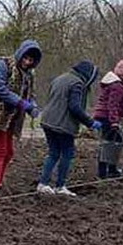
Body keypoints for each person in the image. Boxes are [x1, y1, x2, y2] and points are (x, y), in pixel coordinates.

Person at [0, 40, 43, 190]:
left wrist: (32, 106)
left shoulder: (30, 74)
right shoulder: (5, 64)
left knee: (8, 152)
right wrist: (21, 103)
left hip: (11, 119)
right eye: (25, 58)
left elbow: (30, 94)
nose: (27, 62)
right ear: (20, 54)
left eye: (31, 60)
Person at [37, 60, 101, 196]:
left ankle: (43, 184)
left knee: (53, 153)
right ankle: (60, 186)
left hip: (47, 121)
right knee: (67, 153)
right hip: (63, 125)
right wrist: (90, 122)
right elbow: (75, 107)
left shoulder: (59, 78)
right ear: (87, 74)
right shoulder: (77, 83)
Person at [92, 59, 123, 179]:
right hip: (107, 117)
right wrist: (114, 121)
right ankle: (106, 171)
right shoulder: (117, 87)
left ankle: (109, 169)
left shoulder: (111, 84)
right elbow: (112, 105)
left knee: (111, 142)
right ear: (121, 75)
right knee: (110, 144)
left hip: (103, 116)